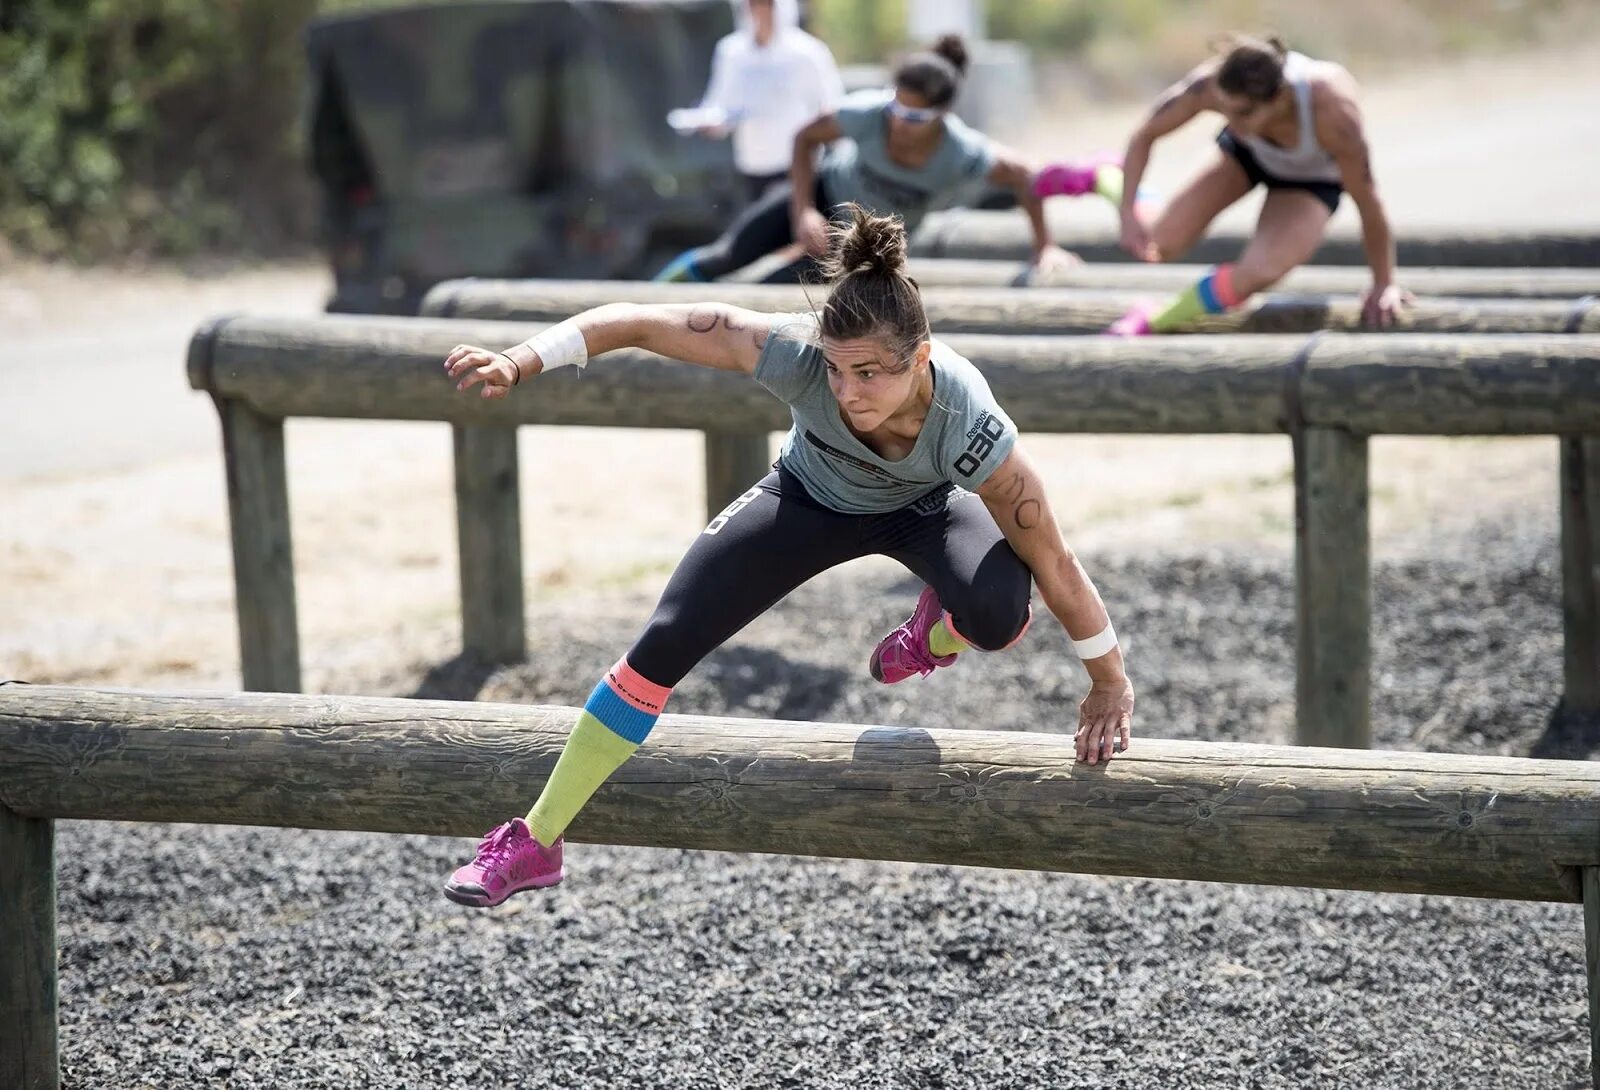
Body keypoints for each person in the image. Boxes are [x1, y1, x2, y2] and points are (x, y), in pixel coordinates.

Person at [441, 204, 1137, 907]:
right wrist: (521, 360)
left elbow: (1056, 561)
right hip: (807, 499)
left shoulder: (973, 427)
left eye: (869, 374)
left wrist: (1107, 681)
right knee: (662, 642)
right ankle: (535, 841)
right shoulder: (792, 352)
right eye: (836, 371)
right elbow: (639, 321)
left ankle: (932, 633)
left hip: (922, 511)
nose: (846, 392)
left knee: (999, 613)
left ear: (920, 360)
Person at [656, 34, 1096, 284]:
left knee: (774, 288)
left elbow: (1027, 177)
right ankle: (648, 302)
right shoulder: (868, 113)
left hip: (870, 241)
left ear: (941, 115)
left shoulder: (960, 152)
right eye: (896, 108)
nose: (899, 122)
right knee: (727, 255)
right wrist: (804, 209)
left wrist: (1045, 247)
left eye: (914, 115)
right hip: (827, 191)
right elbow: (805, 137)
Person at [1060, 34, 1408, 335]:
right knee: (1156, 246)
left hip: (1312, 178)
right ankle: (1106, 176)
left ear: (1281, 98)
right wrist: (1126, 215)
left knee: (1260, 273)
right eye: (1224, 111)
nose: (1230, 120)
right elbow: (1145, 134)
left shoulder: (1333, 110)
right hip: (1246, 156)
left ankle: (1152, 320)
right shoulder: (1212, 85)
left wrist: (1383, 283)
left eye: (1242, 113)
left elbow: (1368, 201)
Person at [676, 0, 844, 204]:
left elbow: (831, 104)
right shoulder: (731, 52)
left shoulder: (808, 52)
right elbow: (719, 103)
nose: (759, 11)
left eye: (766, 4)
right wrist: (710, 122)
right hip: (753, 165)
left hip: (798, 166)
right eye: (753, 4)